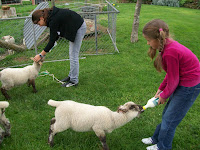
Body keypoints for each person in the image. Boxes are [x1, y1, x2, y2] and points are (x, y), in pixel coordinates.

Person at [141, 19, 200, 150]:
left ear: (157, 39)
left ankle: (163, 147)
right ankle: (156, 139)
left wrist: (164, 95)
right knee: (167, 115)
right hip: (183, 81)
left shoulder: (170, 52)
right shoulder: (166, 46)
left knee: (170, 120)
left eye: (149, 40)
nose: (147, 43)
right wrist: (161, 89)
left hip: (190, 86)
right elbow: (172, 74)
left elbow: (174, 79)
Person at [32, 6, 87, 87]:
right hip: (74, 26)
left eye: (38, 23)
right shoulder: (50, 17)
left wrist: (41, 55)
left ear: (41, 18)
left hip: (79, 27)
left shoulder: (53, 19)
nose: (39, 25)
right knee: (72, 54)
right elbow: (55, 36)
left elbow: (51, 41)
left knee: (73, 55)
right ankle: (71, 76)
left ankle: (74, 81)